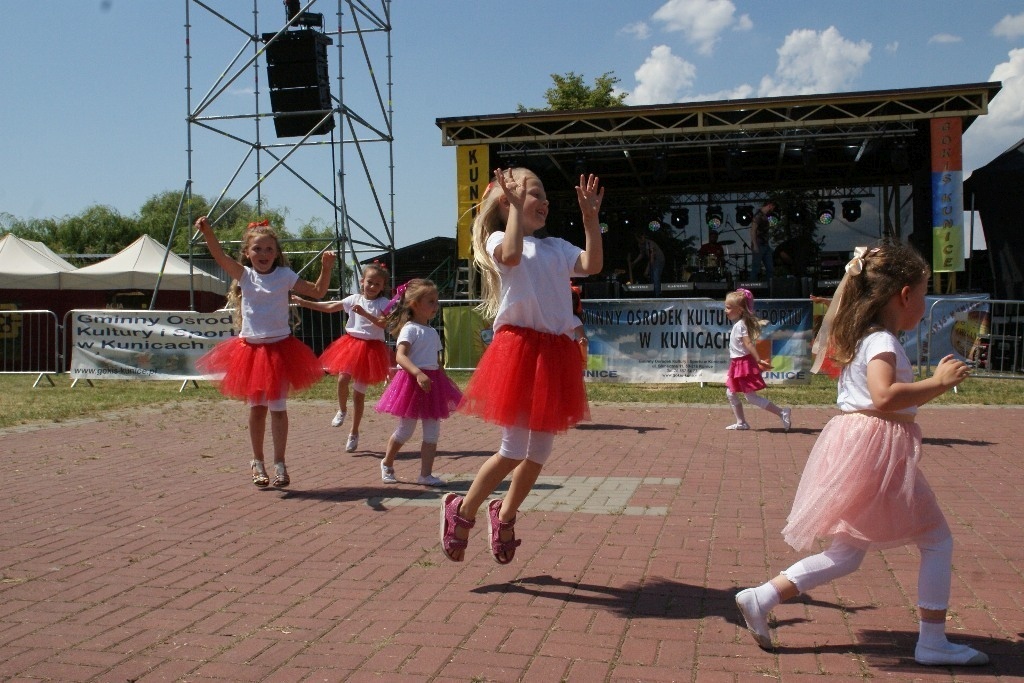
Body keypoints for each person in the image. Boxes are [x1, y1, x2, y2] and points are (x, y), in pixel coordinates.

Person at [735, 243, 988, 667]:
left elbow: (882, 398)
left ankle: (762, 597)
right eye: (923, 293)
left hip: (864, 446)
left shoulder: (867, 338)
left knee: (848, 553)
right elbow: (884, 396)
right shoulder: (882, 341)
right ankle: (932, 641)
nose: (924, 303)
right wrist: (940, 382)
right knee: (936, 539)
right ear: (904, 295)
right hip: (877, 449)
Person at [440, 167, 604, 564]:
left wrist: (590, 220)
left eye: (544, 194)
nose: (543, 201)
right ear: (506, 201)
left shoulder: (556, 247)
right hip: (519, 350)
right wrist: (515, 210)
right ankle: (462, 509)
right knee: (513, 450)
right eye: (534, 193)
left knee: (539, 452)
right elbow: (512, 256)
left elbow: (592, 264)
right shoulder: (500, 240)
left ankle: (506, 514)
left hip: (554, 354)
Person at [194, 216, 335, 488]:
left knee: (279, 409)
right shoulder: (245, 275)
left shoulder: (285, 276)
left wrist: (325, 268)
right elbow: (219, 255)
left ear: (277, 253)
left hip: (280, 351)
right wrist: (208, 231)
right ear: (247, 253)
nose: (263, 254)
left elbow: (318, 292)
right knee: (257, 409)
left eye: (269, 249)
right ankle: (257, 462)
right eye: (257, 248)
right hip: (251, 352)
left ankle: (280, 463)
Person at [291, 262, 391, 452]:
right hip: (351, 345)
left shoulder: (384, 303)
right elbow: (330, 307)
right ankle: (342, 409)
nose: (372, 287)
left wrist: (365, 314)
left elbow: (383, 324)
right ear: (362, 281)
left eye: (377, 284)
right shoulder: (354, 299)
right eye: (369, 282)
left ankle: (354, 432)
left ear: (382, 287)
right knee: (342, 379)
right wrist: (305, 303)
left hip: (371, 350)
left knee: (359, 394)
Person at [375, 278, 462, 486]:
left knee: (432, 433)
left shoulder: (432, 332)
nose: (436, 306)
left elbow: (436, 361)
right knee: (406, 430)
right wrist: (417, 373)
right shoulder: (409, 329)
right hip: (412, 384)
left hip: (432, 384)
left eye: (436, 301)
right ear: (415, 304)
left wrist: (445, 380)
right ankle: (387, 462)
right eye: (431, 302)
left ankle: (425, 474)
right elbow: (400, 356)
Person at [723, 288, 791, 431]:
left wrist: (758, 360)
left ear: (739, 310)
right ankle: (741, 422)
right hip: (737, 363)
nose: (725, 310)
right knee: (730, 392)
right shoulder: (739, 324)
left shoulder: (740, 325)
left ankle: (782, 412)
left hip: (743, 364)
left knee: (750, 397)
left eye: (728, 308)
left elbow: (748, 344)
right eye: (726, 307)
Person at [630, 231, 666, 296]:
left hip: (658, 259)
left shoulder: (649, 244)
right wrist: (634, 262)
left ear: (642, 237)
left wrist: (647, 270)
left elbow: (651, 259)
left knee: (655, 276)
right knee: (652, 278)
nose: (639, 241)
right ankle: (653, 293)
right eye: (637, 240)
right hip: (652, 259)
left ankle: (658, 294)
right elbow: (641, 254)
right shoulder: (640, 244)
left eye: (640, 239)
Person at [750, 200, 776, 281]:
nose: (773, 209)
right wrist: (755, 245)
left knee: (770, 268)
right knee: (756, 268)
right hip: (759, 244)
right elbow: (753, 230)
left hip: (765, 244)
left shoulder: (766, 215)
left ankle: (769, 286)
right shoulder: (758, 215)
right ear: (769, 205)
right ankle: (752, 285)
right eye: (773, 207)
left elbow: (772, 225)